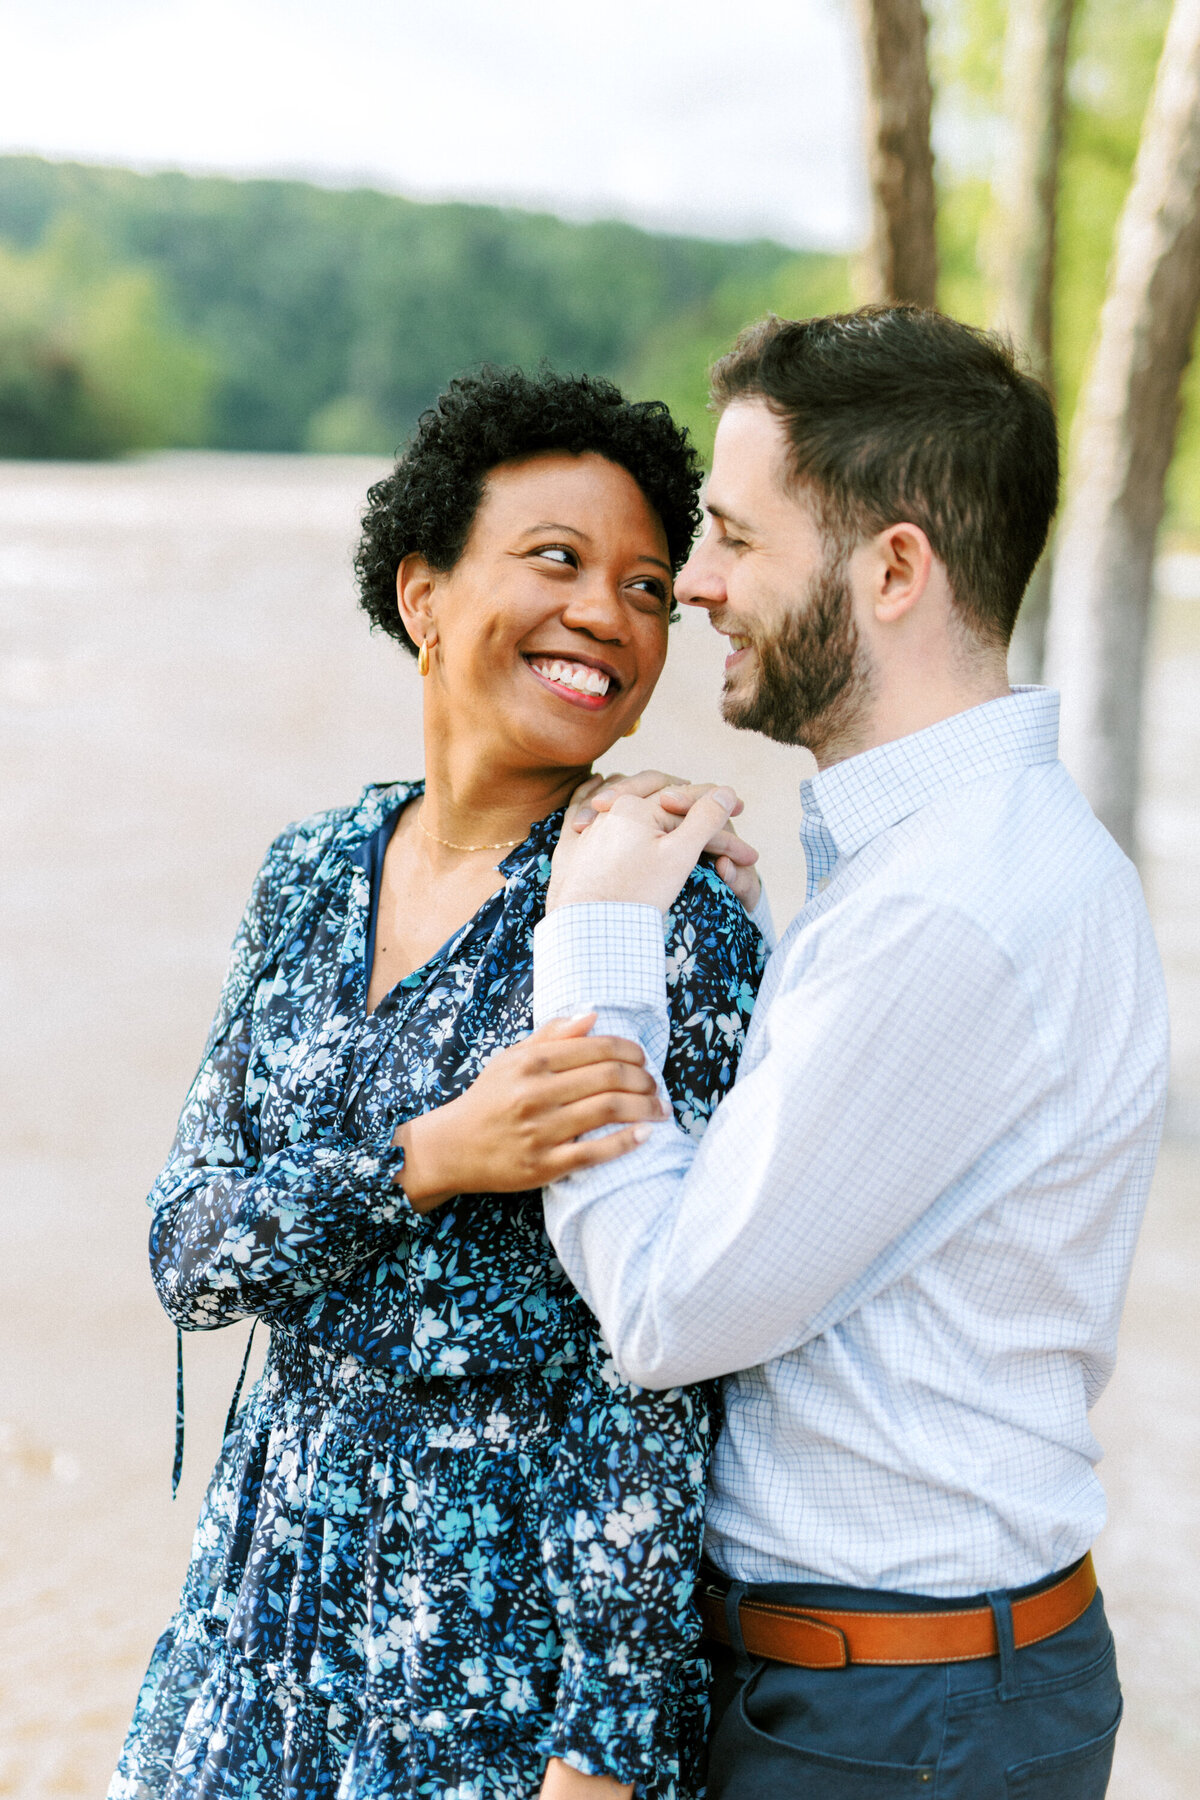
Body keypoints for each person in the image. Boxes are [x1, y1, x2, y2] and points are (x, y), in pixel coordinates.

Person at [462, 309, 1170, 1797]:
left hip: (890, 1724)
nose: (697, 583)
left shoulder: (948, 907)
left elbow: (665, 1310)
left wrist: (590, 947)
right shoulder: (943, 869)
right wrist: (769, 952)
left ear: (893, 569)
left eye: (732, 535)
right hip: (909, 1691)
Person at [109, 367, 767, 1800]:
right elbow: (188, 1248)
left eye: (652, 587)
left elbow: (652, 1387)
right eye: (558, 559)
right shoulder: (309, 870)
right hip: (254, 1634)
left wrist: (600, 1757)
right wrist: (429, 1156)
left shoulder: (656, 919)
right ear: (423, 594)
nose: (609, 611)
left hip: (486, 1684)